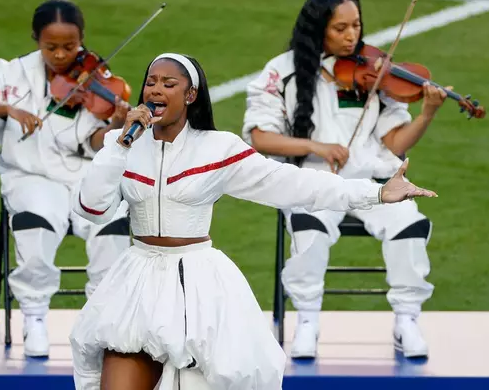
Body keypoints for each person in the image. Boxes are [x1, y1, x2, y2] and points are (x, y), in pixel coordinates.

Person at [68, 51, 436, 390]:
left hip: (197, 289)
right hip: (137, 285)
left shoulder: (218, 148)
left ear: (191, 95)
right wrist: (119, 147)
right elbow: (91, 207)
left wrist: (375, 193)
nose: (156, 90)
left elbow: (294, 185)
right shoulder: (122, 146)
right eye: (151, 82)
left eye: (169, 84)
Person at [242, 0, 449, 359]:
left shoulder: (374, 72)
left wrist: (427, 114)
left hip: (376, 182)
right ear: (317, 29)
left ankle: (407, 319)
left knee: (410, 225)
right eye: (340, 28)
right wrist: (315, 146)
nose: (352, 36)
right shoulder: (280, 72)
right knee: (309, 227)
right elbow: (260, 137)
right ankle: (307, 319)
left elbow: (396, 141)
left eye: (356, 25)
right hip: (314, 180)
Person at [0, 0, 132, 358]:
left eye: (70, 46)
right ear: (36, 39)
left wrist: (115, 125)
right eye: (51, 47)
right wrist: (8, 109)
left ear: (82, 39)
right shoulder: (10, 72)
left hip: (84, 174)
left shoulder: (96, 79)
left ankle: (102, 317)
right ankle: (34, 315)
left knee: (113, 220)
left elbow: (96, 143)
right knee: (37, 221)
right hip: (30, 174)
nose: (61, 55)